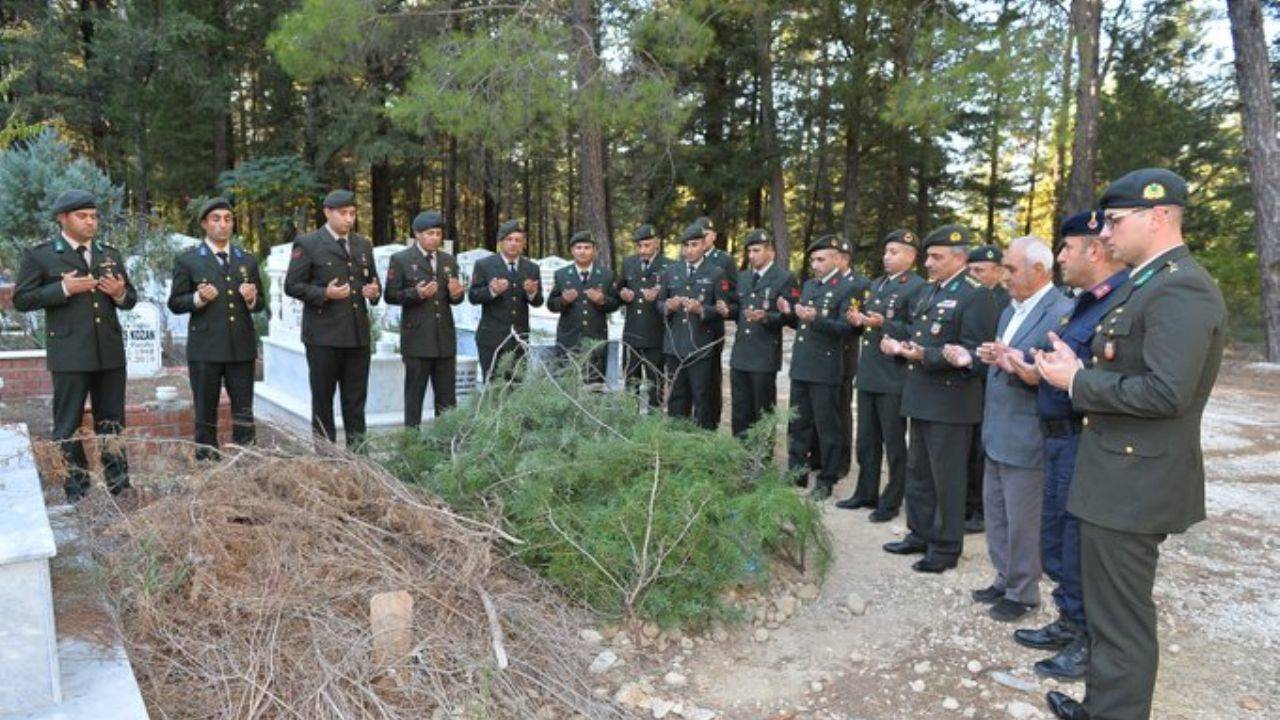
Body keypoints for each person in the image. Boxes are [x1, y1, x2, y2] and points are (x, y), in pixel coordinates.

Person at [1036, 169, 1226, 720]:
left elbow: (1167, 392)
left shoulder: (1181, 286)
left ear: (1159, 216)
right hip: (1115, 476)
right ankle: (1103, 707)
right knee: (1106, 609)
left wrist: (1075, 381)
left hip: (1134, 483)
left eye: (1116, 222)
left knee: (1121, 620)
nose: (1108, 236)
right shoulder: (1148, 282)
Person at [1000, 211, 1129, 682]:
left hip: (1083, 440)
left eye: (1065, 249)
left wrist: (1059, 377)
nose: (1059, 259)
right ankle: (1069, 620)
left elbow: (1108, 380)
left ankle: (1085, 640)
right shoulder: (1085, 303)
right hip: (1057, 438)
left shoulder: (1120, 302)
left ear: (1093, 250)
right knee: (1056, 541)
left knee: (1077, 545)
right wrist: (1037, 372)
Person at [881, 225, 998, 573]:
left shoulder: (976, 295)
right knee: (919, 472)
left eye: (936, 256)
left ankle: (946, 547)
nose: (928, 263)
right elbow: (921, 333)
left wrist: (925, 356)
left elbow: (975, 354)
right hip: (921, 396)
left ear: (959, 258)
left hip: (951, 402)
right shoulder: (932, 291)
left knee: (947, 477)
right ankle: (919, 533)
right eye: (928, 256)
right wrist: (899, 347)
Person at [968, 236, 1073, 622]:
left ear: (1040, 270)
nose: (1005, 274)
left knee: (1023, 518)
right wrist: (992, 356)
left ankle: (1024, 591)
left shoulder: (1062, 311)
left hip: (1029, 433)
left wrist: (1024, 367)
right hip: (998, 429)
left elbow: (1056, 370)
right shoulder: (1011, 310)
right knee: (996, 512)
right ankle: (1004, 577)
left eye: (1012, 268)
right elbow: (1008, 357)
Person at [13, 189, 136, 500]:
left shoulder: (109, 254)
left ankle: (119, 485)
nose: (91, 222)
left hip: (109, 352)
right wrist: (63, 288)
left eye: (94, 216)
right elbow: (22, 299)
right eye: (83, 216)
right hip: (69, 354)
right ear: (62, 219)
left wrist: (120, 293)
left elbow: (129, 299)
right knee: (67, 425)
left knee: (112, 423)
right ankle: (77, 490)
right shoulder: (41, 255)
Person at [835, 230, 926, 521]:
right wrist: (860, 321)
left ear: (911, 257)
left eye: (895, 252)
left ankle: (891, 501)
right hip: (870, 371)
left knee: (894, 442)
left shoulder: (917, 287)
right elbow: (869, 325)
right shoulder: (876, 284)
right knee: (866, 439)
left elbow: (916, 330)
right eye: (886, 252)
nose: (887, 257)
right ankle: (865, 492)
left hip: (894, 375)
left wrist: (885, 323)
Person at [167, 197, 267, 458]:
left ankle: (246, 460)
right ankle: (207, 463)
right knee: (205, 412)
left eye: (228, 219)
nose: (223, 224)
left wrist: (251, 298)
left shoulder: (247, 260)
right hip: (206, 349)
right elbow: (175, 303)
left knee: (244, 411)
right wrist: (198, 299)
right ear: (204, 224)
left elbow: (260, 305)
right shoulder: (189, 261)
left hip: (240, 348)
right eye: (216, 219)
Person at [284, 189, 381, 450]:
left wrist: (373, 292)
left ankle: (359, 455)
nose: (349, 219)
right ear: (327, 212)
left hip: (357, 334)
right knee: (323, 399)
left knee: (356, 400)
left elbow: (371, 282)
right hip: (323, 336)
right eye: (343, 213)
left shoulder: (362, 244)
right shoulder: (309, 243)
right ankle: (326, 457)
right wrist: (324, 293)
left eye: (352, 213)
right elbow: (292, 286)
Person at [780, 235, 855, 500]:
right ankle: (796, 471)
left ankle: (827, 479)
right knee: (798, 423)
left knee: (827, 427)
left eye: (821, 259)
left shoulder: (847, 288)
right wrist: (789, 312)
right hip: (802, 365)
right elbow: (801, 323)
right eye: (812, 259)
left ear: (837, 259)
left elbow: (848, 329)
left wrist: (817, 319)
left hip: (825, 368)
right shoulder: (810, 285)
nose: (815, 264)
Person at [384, 210, 464, 426]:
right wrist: (416, 294)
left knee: (447, 399)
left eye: (438, 233)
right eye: (430, 233)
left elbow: (453, 298)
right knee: (414, 396)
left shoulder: (448, 260)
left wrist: (457, 294)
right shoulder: (401, 259)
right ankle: (412, 444)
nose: (435, 238)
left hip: (444, 339)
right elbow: (390, 295)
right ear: (417, 234)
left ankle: (445, 447)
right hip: (417, 340)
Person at [660, 222, 731, 429]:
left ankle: (703, 442)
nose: (689, 250)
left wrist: (702, 310)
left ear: (703, 246)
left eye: (694, 245)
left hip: (701, 345)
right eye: (686, 245)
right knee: (676, 397)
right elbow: (659, 304)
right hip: (675, 344)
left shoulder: (716, 273)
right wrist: (668, 306)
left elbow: (721, 308)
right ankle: (677, 440)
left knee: (702, 397)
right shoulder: (671, 271)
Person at [728, 229, 797, 439]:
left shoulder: (784, 278)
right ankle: (740, 451)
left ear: (771, 252)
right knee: (740, 408)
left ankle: (762, 456)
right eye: (749, 251)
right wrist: (726, 310)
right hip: (741, 354)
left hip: (764, 354)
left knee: (762, 409)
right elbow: (737, 309)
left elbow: (792, 318)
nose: (752, 255)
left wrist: (767, 317)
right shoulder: (743, 277)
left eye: (756, 250)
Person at [965, 243, 1011, 532]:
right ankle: (969, 503)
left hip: (994, 382)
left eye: (979, 270)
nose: (973, 275)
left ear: (998, 271)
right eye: (970, 270)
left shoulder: (1006, 301)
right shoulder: (969, 297)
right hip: (969, 379)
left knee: (985, 449)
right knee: (969, 447)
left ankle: (982, 510)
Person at [468, 219, 544, 381]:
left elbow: (538, 301)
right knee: (493, 386)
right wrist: (492, 291)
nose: (513, 244)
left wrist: (532, 293)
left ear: (523, 244)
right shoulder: (484, 265)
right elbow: (473, 296)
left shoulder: (531, 268)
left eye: (518, 240)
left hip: (519, 338)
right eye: (509, 240)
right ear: (500, 242)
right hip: (491, 338)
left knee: (516, 386)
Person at [548, 230, 619, 383]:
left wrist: (602, 300)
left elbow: (615, 303)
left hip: (596, 339)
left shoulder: (606, 275)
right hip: (568, 340)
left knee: (594, 386)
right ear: (572, 250)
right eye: (578, 247)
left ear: (595, 250)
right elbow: (551, 305)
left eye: (587, 247)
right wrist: (564, 301)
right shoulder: (561, 274)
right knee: (566, 384)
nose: (582, 251)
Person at [616, 224, 670, 407]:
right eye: (639, 246)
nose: (643, 250)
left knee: (655, 382)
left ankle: (654, 422)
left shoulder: (668, 266)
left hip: (656, 334)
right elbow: (618, 289)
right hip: (632, 334)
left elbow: (672, 297)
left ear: (657, 244)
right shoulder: (629, 263)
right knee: (631, 383)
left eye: (647, 245)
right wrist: (623, 294)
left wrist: (659, 296)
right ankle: (630, 421)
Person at [834, 240, 871, 477]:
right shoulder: (823, 283)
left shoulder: (859, 284)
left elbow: (855, 323)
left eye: (833, 256)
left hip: (844, 354)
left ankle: (842, 461)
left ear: (845, 259)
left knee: (841, 408)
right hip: (823, 354)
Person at [696, 216, 736, 426]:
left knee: (712, 377)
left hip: (712, 326)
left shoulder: (723, 260)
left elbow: (732, 292)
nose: (702, 239)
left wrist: (721, 307)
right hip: (692, 326)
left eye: (706, 235)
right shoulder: (687, 257)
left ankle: (711, 421)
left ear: (713, 236)